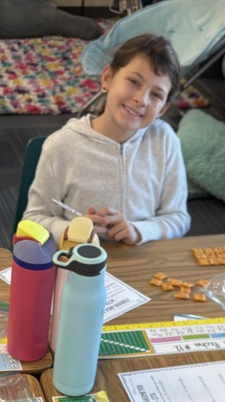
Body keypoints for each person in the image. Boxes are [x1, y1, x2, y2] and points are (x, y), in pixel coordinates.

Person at [23, 34, 191, 246]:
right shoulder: (62, 146)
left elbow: (178, 218)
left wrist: (138, 231)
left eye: (156, 95)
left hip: (143, 265)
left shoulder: (165, 141)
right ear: (107, 78)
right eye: (133, 82)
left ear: (163, 109)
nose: (141, 99)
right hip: (75, 265)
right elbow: (32, 220)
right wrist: (71, 230)